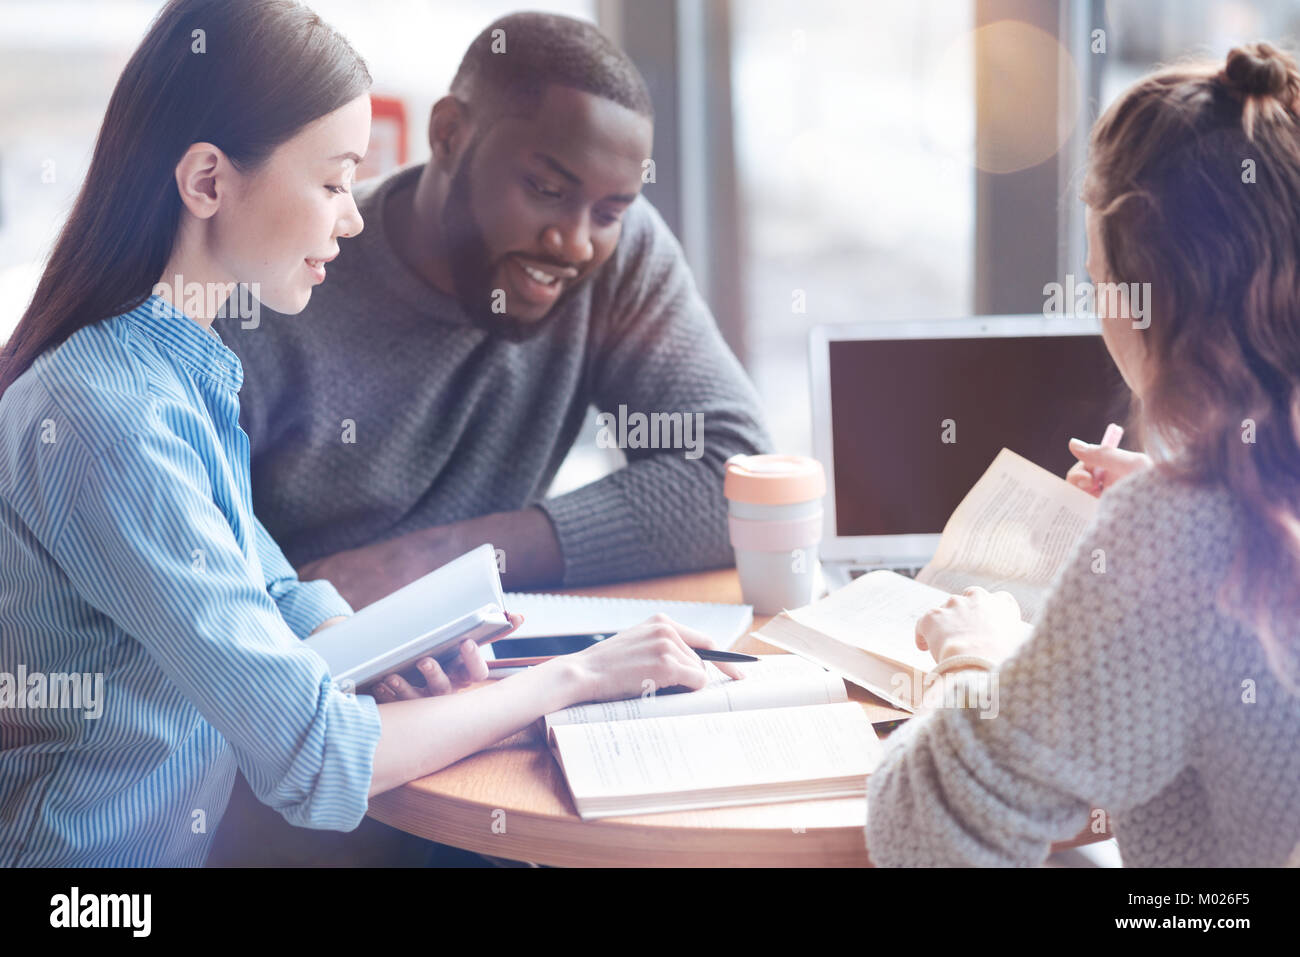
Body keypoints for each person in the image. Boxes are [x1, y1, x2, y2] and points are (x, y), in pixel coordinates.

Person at [0, 0, 736, 868]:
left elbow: (277, 601)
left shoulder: (176, 372)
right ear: (207, 183)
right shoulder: (107, 416)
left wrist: (388, 653)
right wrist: (576, 677)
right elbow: (318, 759)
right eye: (332, 181)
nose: (350, 219)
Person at [866, 42, 1300, 867]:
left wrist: (975, 654)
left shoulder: (1183, 533)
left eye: (1097, 276)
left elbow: (927, 836)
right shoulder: (1224, 512)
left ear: (1147, 299)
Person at [212, 11, 772, 614]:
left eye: (609, 212)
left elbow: (738, 481)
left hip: (490, 652)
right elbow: (204, 570)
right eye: (546, 190)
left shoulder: (623, 253)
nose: (577, 243)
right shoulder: (274, 284)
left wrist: (439, 559)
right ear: (450, 133)